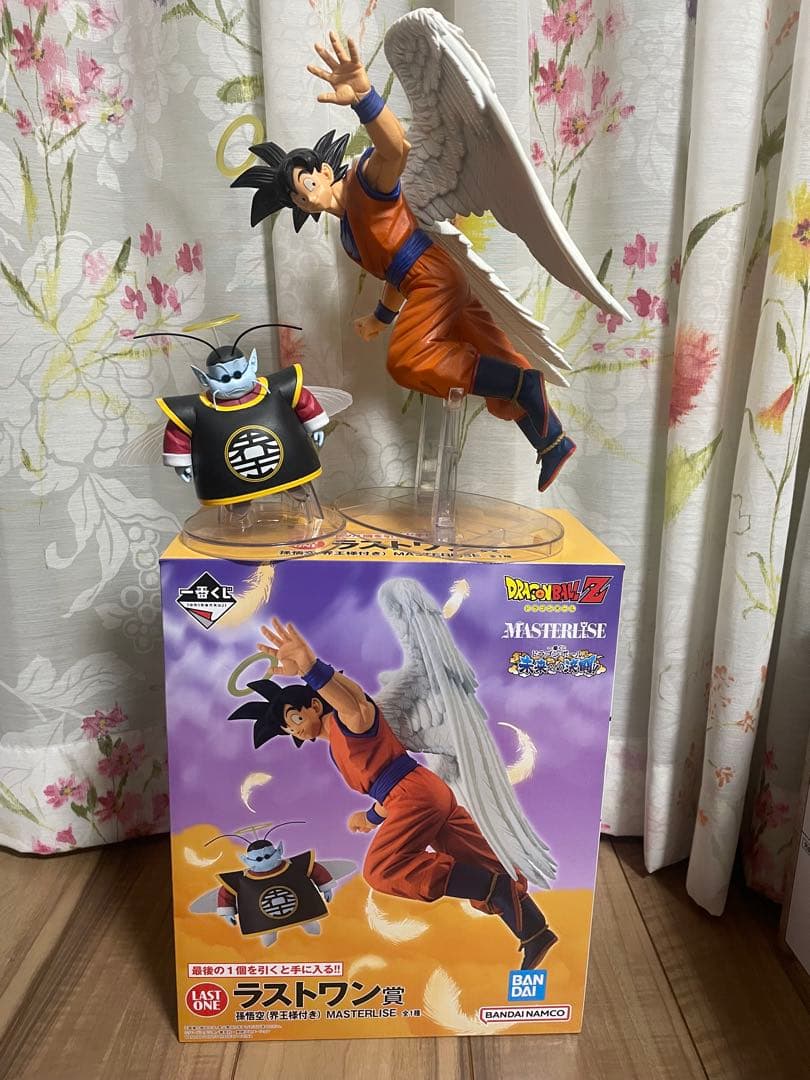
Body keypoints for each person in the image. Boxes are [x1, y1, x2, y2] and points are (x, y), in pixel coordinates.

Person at [231, 32, 575, 491]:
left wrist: (364, 97)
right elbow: (396, 271)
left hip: (434, 278)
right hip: (431, 280)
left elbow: (396, 148)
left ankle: (521, 384)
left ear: (324, 171)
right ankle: (552, 441)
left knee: (409, 359)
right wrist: (380, 317)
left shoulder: (365, 183)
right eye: (296, 197)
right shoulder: (349, 230)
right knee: (497, 354)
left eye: (305, 183)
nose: (305, 197)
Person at [229, 617, 558, 970]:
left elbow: (355, 704)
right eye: (287, 727)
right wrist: (371, 817)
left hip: (415, 795)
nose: (295, 729)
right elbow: (380, 765)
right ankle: (535, 932)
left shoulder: (346, 725)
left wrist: (311, 669)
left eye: (295, 717)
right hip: (423, 793)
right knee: (483, 860)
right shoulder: (338, 741)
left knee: (383, 869)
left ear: (314, 705)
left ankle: (491, 889)